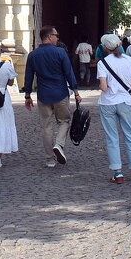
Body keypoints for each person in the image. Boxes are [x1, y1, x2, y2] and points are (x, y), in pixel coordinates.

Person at [23, 25, 81, 167]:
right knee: (64, 121)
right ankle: (59, 145)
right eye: (56, 35)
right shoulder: (60, 52)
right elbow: (69, 73)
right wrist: (76, 92)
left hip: (43, 95)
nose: (57, 38)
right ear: (49, 36)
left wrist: (27, 95)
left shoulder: (33, 55)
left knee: (46, 127)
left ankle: (49, 159)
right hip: (60, 93)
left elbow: (29, 76)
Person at [96, 33, 131, 183]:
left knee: (112, 138)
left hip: (108, 102)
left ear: (105, 47)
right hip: (125, 102)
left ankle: (118, 173)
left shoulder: (102, 63)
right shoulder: (130, 61)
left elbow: (103, 87)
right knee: (130, 136)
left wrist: (103, 85)